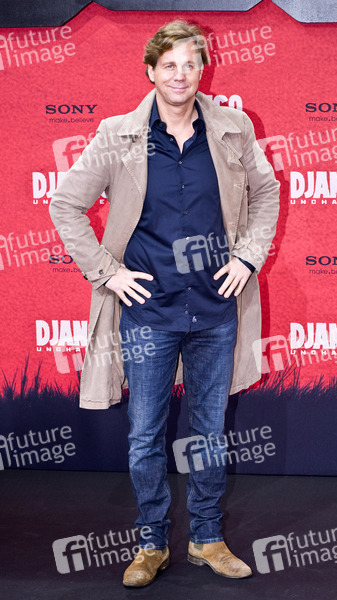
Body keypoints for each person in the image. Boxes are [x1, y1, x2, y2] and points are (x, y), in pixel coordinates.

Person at [49, 19, 280, 587]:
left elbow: (267, 191)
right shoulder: (116, 134)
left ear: (203, 70)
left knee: (209, 433)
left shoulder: (233, 128)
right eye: (169, 65)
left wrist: (248, 256)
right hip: (148, 312)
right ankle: (151, 544)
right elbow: (65, 204)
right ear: (150, 71)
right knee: (145, 435)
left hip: (215, 309)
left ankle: (206, 538)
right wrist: (108, 273)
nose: (180, 75)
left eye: (190, 64)